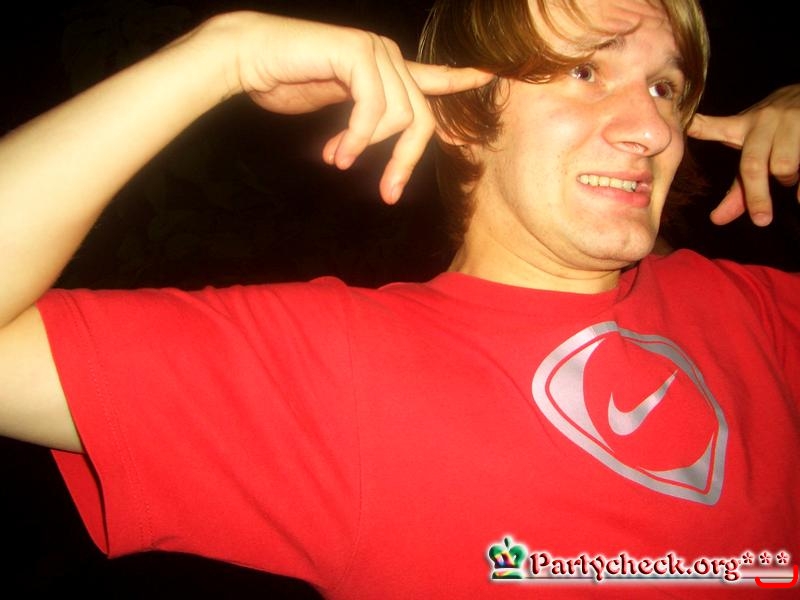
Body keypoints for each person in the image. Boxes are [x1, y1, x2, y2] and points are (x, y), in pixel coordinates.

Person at [0, 0, 797, 598]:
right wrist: (222, 54)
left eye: (664, 87)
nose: (651, 129)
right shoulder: (332, 371)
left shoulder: (754, 309)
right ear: (464, 117)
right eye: (585, 72)